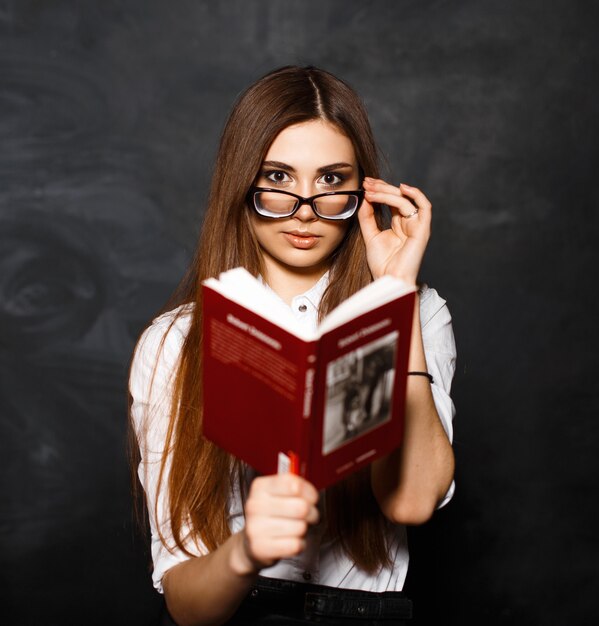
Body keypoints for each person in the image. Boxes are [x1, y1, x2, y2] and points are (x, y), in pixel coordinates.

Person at [129, 65, 456, 626]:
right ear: (242, 182)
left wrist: (394, 298)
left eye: (331, 182)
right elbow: (185, 603)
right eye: (278, 178)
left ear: (362, 189)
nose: (305, 210)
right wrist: (246, 550)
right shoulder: (174, 343)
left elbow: (412, 501)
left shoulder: (419, 312)